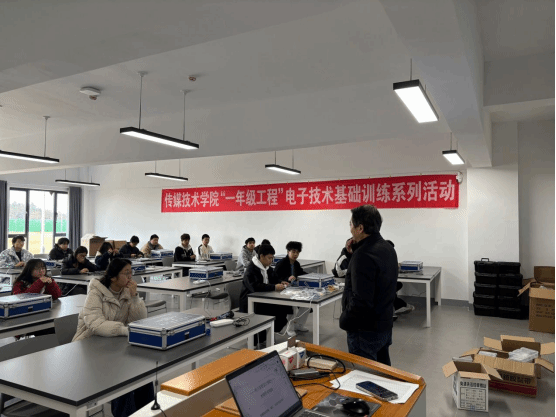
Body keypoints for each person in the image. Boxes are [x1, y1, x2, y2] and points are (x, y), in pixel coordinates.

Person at [72, 258, 153, 416]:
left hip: (112, 347)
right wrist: (123, 330)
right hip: (89, 350)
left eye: (131, 272)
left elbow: (139, 321)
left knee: (143, 376)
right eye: (126, 273)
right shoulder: (95, 293)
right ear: (113, 277)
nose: (130, 276)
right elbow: (95, 323)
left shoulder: (125, 292)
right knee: (122, 382)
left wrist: (135, 297)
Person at [340, 205, 398, 366]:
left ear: (360, 228)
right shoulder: (387, 248)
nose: (350, 228)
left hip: (364, 329)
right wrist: (355, 251)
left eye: (351, 224)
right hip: (384, 323)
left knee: (364, 376)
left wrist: (345, 320)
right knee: (382, 372)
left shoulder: (363, 255)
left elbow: (361, 301)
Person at [239, 244, 292, 347]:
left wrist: (281, 282)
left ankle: (268, 335)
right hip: (250, 302)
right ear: (262, 256)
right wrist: (274, 287)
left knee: (284, 309)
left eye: (272, 258)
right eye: (269, 258)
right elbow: (255, 287)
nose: (271, 261)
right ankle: (256, 340)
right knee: (272, 311)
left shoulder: (267, 268)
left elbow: (274, 278)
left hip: (263, 299)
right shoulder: (251, 269)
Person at [274, 241, 310, 334]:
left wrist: (311, 276)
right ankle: (289, 329)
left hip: (294, 290)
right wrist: (287, 278)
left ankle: (299, 325)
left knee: (307, 304)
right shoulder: (281, 263)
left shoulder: (296, 264)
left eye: (297, 252)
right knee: (293, 307)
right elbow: (275, 277)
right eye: (293, 252)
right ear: (288, 251)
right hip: (282, 291)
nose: (295, 254)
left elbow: (301, 273)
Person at [385, 240, 415, 317]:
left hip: (386, 284)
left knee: (395, 287)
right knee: (390, 291)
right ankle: (402, 305)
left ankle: (400, 306)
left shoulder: (387, 256)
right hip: (381, 286)